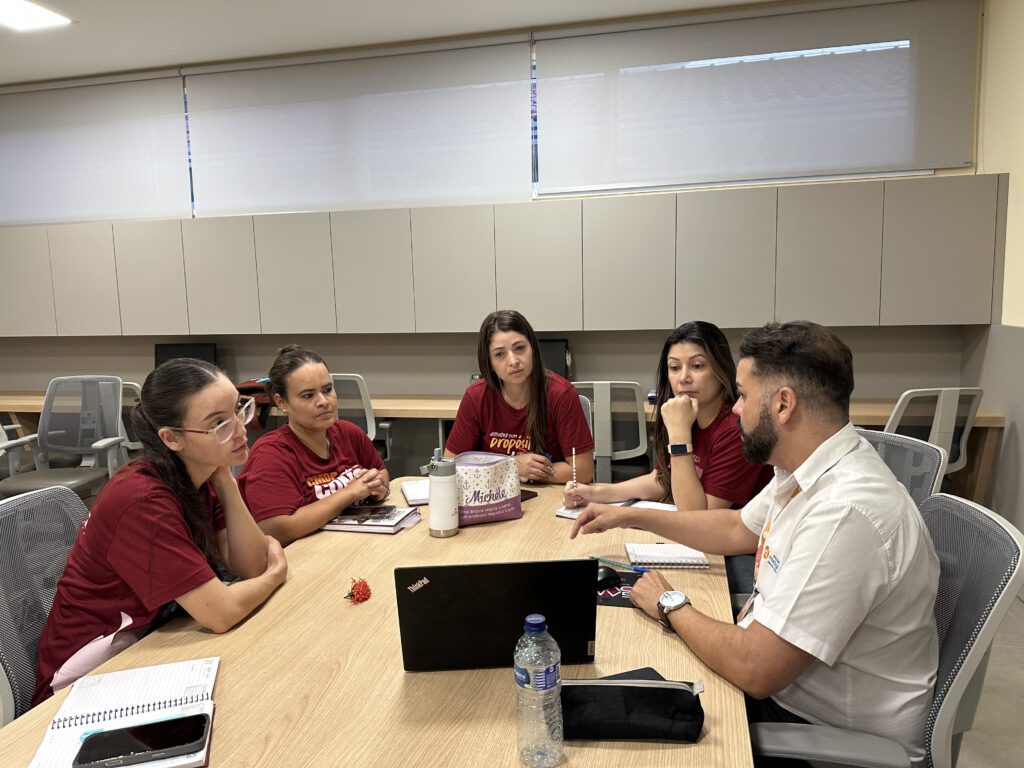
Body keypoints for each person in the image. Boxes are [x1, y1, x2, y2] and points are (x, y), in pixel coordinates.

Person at [569, 321, 939, 764]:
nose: (736, 409)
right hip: (787, 692)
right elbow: (734, 529)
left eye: (743, 396)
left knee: (616, 732)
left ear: (783, 404)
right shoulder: (803, 468)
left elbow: (755, 668)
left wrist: (669, 603)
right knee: (620, 687)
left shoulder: (845, 513)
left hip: (818, 733)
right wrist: (630, 516)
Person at [33, 359, 288, 704]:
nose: (241, 430)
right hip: (84, 678)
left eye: (238, 410)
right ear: (171, 438)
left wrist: (225, 479)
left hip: (152, 638)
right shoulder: (142, 500)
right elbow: (222, 612)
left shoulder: (198, 474)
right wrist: (275, 575)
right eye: (219, 424)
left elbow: (251, 565)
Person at [563, 320, 771, 512]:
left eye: (697, 366)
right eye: (674, 367)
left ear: (721, 369)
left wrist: (679, 435)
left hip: (735, 539)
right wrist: (594, 493)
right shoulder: (685, 414)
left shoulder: (736, 429)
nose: (683, 378)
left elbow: (697, 518)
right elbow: (661, 480)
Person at [238, 345, 389, 546]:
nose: (323, 401)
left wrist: (377, 487)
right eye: (308, 395)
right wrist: (350, 493)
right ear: (281, 402)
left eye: (327, 390)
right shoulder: (271, 454)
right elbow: (278, 529)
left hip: (353, 544)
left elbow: (380, 471)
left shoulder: (348, 432)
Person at [444, 310, 594, 485]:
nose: (513, 361)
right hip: (492, 494)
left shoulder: (561, 394)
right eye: (500, 354)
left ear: (533, 348)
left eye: (520, 348)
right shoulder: (476, 396)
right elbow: (451, 465)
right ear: (489, 363)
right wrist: (511, 466)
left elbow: (583, 472)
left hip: (549, 494)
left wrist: (531, 471)